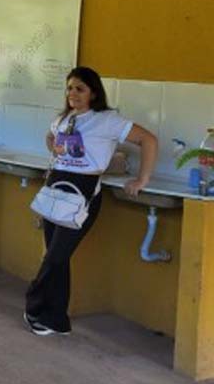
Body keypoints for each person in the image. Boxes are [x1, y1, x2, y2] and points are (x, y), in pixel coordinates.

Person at [25, 66, 157, 336]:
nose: (73, 93)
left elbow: (148, 140)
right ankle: (56, 319)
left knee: (55, 256)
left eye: (80, 89)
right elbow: (51, 135)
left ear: (93, 93)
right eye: (70, 87)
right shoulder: (65, 118)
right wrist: (54, 146)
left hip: (82, 192)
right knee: (56, 258)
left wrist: (142, 180)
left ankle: (33, 303)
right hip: (56, 187)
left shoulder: (107, 120)